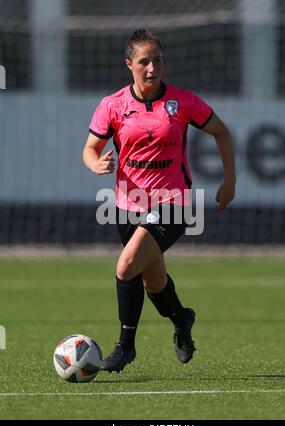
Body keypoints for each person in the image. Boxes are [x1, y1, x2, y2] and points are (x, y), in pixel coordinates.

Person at [83, 29, 236, 373]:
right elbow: (90, 149)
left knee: (125, 267)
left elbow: (222, 132)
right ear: (129, 65)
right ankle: (182, 320)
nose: (152, 68)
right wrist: (97, 164)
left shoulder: (183, 103)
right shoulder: (113, 105)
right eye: (144, 62)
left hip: (173, 202)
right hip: (127, 205)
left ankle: (125, 347)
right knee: (153, 282)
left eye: (157, 60)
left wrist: (230, 180)